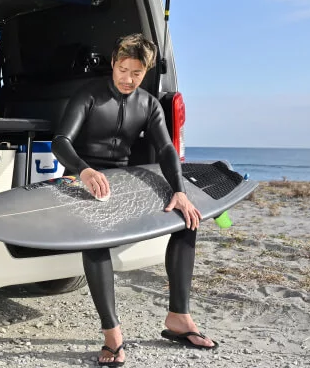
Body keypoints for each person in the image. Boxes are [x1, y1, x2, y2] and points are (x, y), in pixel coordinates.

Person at [51, 34, 217, 367]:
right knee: (97, 237)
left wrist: (179, 191)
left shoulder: (148, 104)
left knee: (187, 220)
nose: (128, 79)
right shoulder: (90, 95)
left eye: (137, 73)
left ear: (147, 72)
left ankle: (178, 318)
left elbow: (167, 149)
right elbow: (60, 142)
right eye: (123, 69)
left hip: (123, 181)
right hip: (81, 177)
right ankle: (112, 335)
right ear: (114, 63)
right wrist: (83, 171)